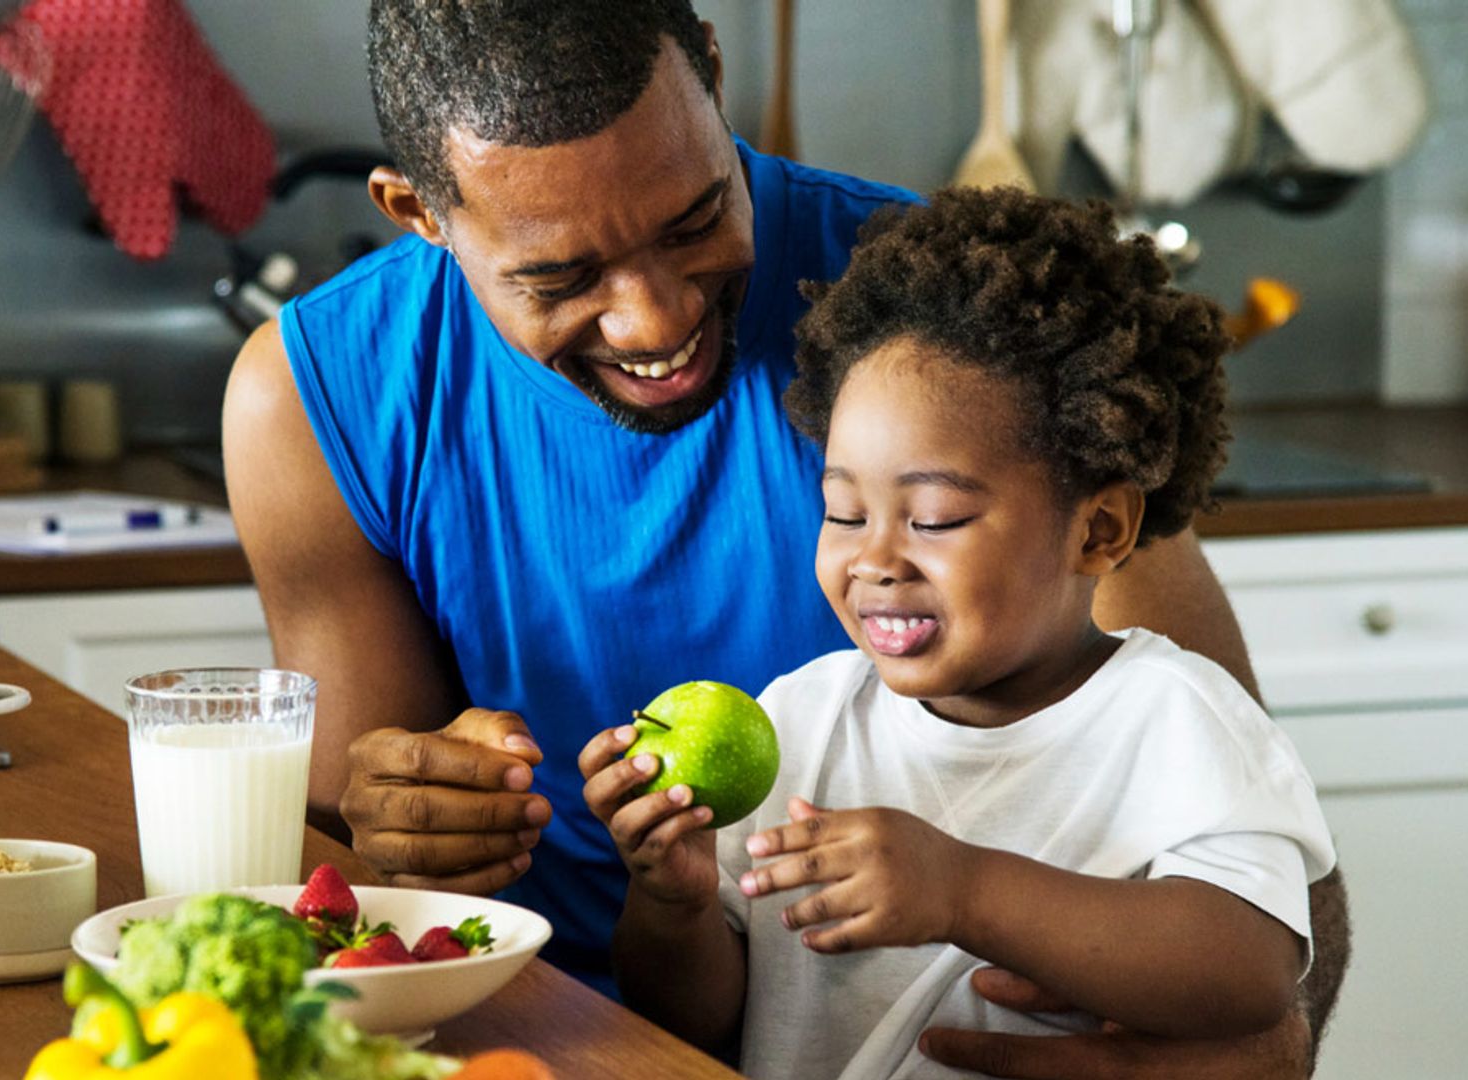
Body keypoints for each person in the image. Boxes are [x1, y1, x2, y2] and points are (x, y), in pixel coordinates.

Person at [221, 1, 1351, 1074]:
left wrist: (1261, 1051)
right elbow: (352, 885)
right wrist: (418, 821)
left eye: (694, 219)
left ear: (712, 75)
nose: (656, 321)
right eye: (560, 276)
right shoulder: (317, 397)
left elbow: (1262, 881)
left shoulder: (957, 335)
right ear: (417, 212)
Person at [578, 188, 1338, 1079]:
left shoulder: (1174, 718)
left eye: (933, 519)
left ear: (1098, 531)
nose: (875, 560)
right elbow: (703, 1021)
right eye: (842, 512)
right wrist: (671, 904)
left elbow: (1248, 972)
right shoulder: (802, 721)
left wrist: (964, 891)